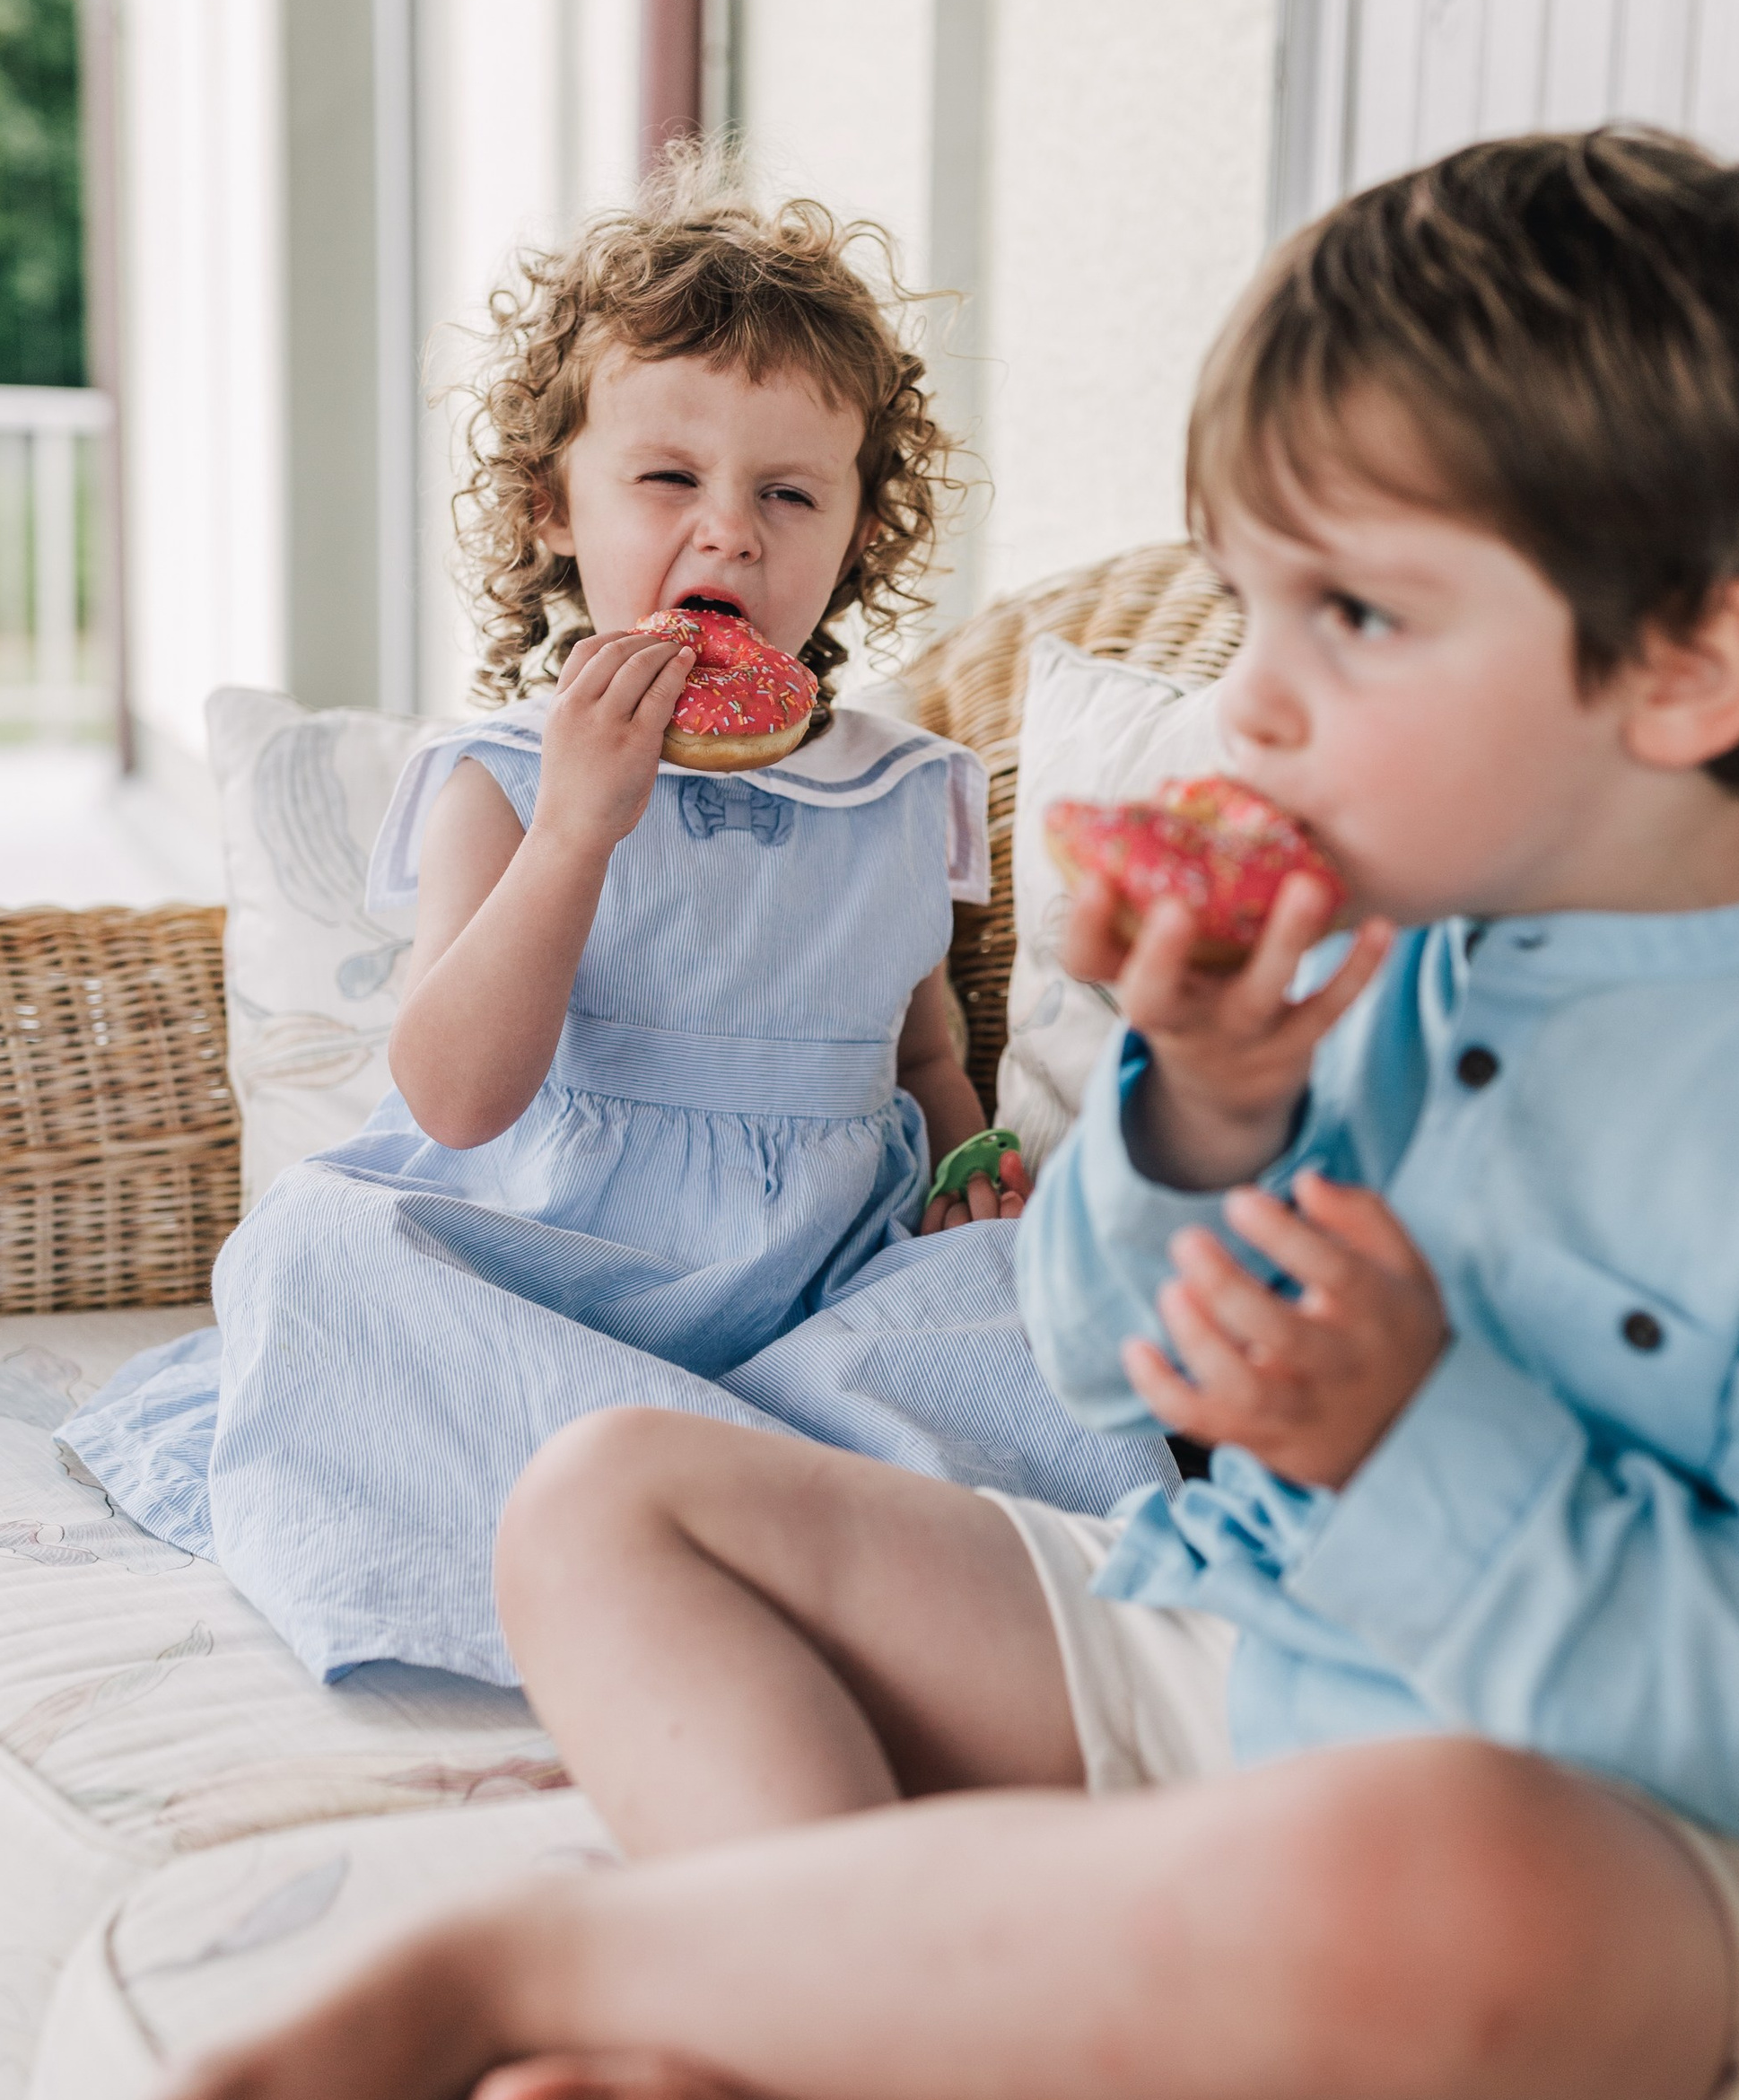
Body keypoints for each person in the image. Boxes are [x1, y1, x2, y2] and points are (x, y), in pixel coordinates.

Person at [87, 128, 1739, 2100]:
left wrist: (1416, 1444)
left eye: (1343, 618)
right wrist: (1205, 1108)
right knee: (605, 1499)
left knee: (1439, 1856)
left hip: (1659, 1892)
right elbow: (1104, 1354)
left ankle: (563, 1970)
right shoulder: (1418, 954)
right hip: (1265, 1668)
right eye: (1243, 608)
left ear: (1683, 673)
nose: (1240, 705)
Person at [62, 156, 1162, 1684]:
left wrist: (968, 1169)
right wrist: (580, 827)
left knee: (1023, 1304)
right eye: (667, 482)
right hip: (543, 1264)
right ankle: (718, 1535)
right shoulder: (501, 780)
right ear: (554, 511)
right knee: (320, 1254)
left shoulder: (908, 791)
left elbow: (924, 1057)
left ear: (859, 535)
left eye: (791, 493)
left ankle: (763, 1512)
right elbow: (453, 1098)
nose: (729, 536)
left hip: (815, 1288)